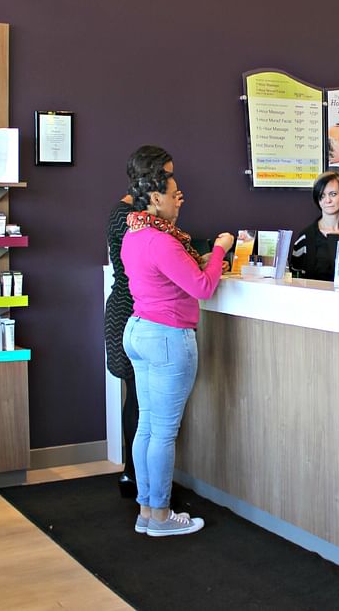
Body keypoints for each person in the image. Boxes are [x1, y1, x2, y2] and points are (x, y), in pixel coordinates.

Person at [121, 145, 234, 537]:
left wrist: (201, 260)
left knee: (147, 427)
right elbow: (202, 288)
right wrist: (220, 249)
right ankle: (162, 515)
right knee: (163, 432)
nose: (179, 201)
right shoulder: (163, 240)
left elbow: (172, 276)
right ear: (155, 198)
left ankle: (146, 511)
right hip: (167, 336)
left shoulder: (134, 234)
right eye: (174, 194)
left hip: (139, 330)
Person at [104, 146, 178, 499]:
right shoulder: (128, 217)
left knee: (140, 400)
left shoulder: (140, 217)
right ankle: (136, 477)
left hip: (138, 312)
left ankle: (138, 477)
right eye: (167, 174)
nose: (172, 183)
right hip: (130, 311)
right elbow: (158, 258)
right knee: (138, 399)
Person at [290, 171, 339, 281]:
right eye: (322, 196)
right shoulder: (305, 238)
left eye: (333, 194)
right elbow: (294, 279)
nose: (328, 200)